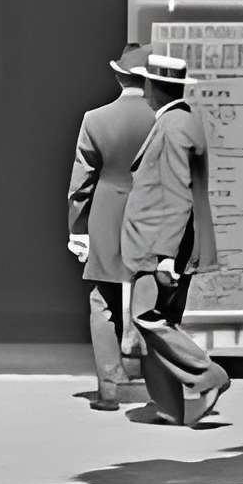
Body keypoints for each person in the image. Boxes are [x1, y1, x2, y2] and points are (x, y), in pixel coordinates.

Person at [65, 45, 155, 410]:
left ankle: (109, 388)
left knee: (102, 300)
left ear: (118, 77)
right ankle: (160, 388)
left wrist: (77, 229)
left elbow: (81, 182)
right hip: (152, 212)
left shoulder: (94, 119)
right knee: (154, 299)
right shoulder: (163, 118)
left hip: (107, 213)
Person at [119, 45, 218, 335]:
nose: (144, 91)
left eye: (147, 84)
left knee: (148, 321)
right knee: (165, 326)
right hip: (171, 248)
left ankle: (201, 365)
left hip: (161, 252)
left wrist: (165, 257)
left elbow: (177, 194)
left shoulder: (173, 125)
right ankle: (185, 368)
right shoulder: (184, 119)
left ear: (154, 87)